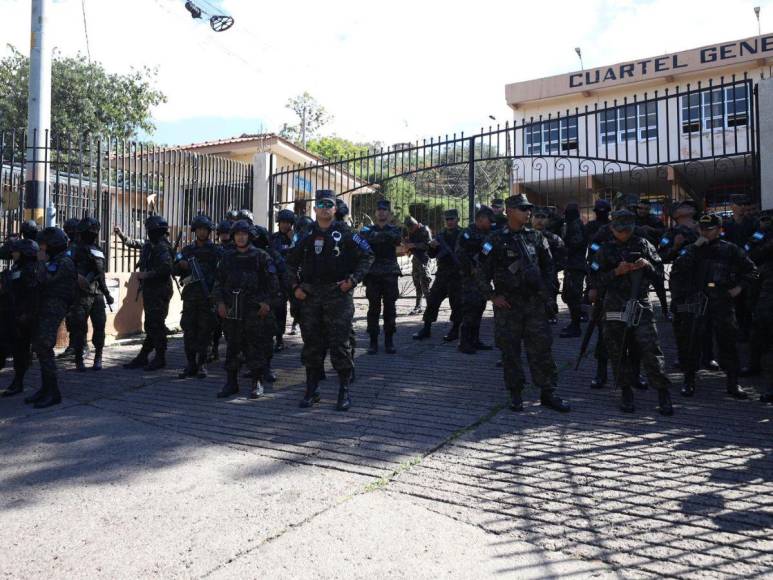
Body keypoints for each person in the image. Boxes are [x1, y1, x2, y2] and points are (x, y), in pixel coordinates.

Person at [477, 194, 570, 413]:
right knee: (510, 352)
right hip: (508, 306)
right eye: (522, 209)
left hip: (534, 305)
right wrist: (492, 296)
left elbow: (549, 268)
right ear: (509, 211)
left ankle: (548, 393)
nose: (527, 213)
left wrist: (548, 294)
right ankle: (516, 394)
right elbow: (480, 273)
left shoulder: (537, 238)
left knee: (542, 350)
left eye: (528, 209)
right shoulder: (495, 240)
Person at [287, 189, 374, 410]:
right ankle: (311, 390)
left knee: (340, 345)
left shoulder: (346, 233)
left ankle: (344, 391)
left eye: (329, 205)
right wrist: (295, 286)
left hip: (338, 295)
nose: (324, 209)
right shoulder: (305, 234)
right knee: (312, 346)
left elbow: (367, 255)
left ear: (335, 209)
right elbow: (289, 263)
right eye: (320, 205)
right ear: (314, 209)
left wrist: (353, 280)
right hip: (311, 296)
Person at [587, 209, 673, 416]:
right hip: (614, 304)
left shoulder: (644, 245)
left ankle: (662, 391)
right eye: (619, 230)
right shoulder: (604, 249)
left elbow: (660, 275)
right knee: (617, 349)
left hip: (640, 303)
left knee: (650, 347)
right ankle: (625, 390)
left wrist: (647, 265)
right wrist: (616, 272)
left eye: (627, 230)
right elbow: (594, 281)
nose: (623, 234)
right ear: (612, 228)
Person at [671, 213, 757, 399]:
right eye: (702, 229)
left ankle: (733, 383)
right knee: (692, 341)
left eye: (709, 229)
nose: (705, 232)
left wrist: (739, 287)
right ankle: (689, 380)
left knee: (727, 341)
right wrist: (694, 247)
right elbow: (678, 268)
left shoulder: (731, 249)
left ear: (719, 230)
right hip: (696, 300)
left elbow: (752, 271)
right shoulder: (692, 249)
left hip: (721, 301)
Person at [213, 220, 277, 399]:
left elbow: (273, 284)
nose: (240, 237)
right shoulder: (227, 257)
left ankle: (257, 382)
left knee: (254, 346)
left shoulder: (261, 256)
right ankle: (231, 382)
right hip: (232, 308)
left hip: (253, 309)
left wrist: (267, 303)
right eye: (237, 234)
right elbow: (218, 282)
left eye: (244, 234)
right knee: (232, 345)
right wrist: (220, 303)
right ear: (233, 236)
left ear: (249, 236)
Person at [25, 227, 77, 409]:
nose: (42, 249)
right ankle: (45, 388)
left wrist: (40, 262)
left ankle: (53, 392)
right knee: (40, 346)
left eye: (44, 246)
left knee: (44, 346)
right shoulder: (56, 259)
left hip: (54, 307)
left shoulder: (63, 262)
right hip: (46, 306)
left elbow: (45, 279)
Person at [114, 215, 173, 371]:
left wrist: (148, 275)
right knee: (151, 324)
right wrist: (120, 235)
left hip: (160, 290)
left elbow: (166, 269)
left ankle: (159, 357)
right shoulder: (149, 245)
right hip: (149, 290)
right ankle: (143, 356)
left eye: (151, 230)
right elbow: (132, 243)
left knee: (156, 325)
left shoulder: (163, 247)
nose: (149, 233)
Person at [174, 214, 221, 380]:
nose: (202, 232)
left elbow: (222, 273)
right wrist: (181, 265)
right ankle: (190, 364)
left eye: (205, 230)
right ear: (195, 231)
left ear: (209, 231)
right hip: (191, 297)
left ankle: (202, 364)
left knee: (205, 331)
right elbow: (175, 269)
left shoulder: (216, 250)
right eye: (199, 229)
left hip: (207, 296)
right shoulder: (188, 250)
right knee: (189, 330)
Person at [69, 217, 113, 371]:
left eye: (94, 232)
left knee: (99, 326)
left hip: (97, 294)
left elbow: (101, 274)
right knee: (79, 328)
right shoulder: (73, 249)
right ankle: (79, 359)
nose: (93, 234)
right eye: (90, 232)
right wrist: (76, 277)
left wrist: (107, 294)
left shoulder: (98, 250)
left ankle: (98, 356)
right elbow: (65, 267)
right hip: (80, 295)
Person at [413, 209, 462, 341]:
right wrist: (432, 247)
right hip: (442, 273)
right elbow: (432, 255)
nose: (450, 222)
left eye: (452, 219)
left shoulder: (463, 234)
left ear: (458, 219)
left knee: (456, 303)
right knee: (433, 300)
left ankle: (455, 329)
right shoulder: (441, 235)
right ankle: (426, 328)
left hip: (457, 274)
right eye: (447, 219)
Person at [360, 200, 402, 355]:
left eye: (384, 210)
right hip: (373, 274)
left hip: (390, 274)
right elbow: (362, 241)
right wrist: (382, 237)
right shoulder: (366, 229)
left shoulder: (395, 229)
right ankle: (373, 342)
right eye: (379, 210)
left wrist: (375, 237)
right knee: (373, 309)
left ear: (389, 213)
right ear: (375, 213)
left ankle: (389, 341)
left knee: (390, 308)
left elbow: (396, 239)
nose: (381, 212)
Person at [0, 238, 40, 397]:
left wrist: (26, 315)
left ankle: (18, 382)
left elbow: (32, 296)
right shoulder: (18, 266)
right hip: (10, 313)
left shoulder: (30, 269)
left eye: (16, 251)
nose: (13, 253)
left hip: (21, 317)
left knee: (20, 351)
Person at [456, 205, 494, 354]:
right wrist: (471, 268)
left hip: (483, 277)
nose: (491, 222)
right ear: (481, 219)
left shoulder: (489, 233)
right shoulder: (467, 233)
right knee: (470, 309)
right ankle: (464, 343)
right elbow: (459, 253)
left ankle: (475, 340)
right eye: (489, 220)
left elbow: (488, 251)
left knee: (479, 308)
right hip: (470, 278)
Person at [745, 209, 773, 402]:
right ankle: (756, 366)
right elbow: (748, 252)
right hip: (764, 284)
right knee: (760, 329)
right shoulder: (759, 235)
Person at [532, 207, 566, 324]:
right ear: (531, 218)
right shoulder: (522, 236)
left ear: (548, 220)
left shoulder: (554, 238)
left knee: (550, 296)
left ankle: (550, 315)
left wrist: (552, 268)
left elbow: (563, 257)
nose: (540, 220)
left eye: (543, 217)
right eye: (537, 217)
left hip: (548, 276)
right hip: (529, 277)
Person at [270, 209, 296, 352]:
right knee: (279, 309)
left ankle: (296, 324)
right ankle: (279, 338)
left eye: (288, 223)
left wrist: (294, 239)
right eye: (283, 222)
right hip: (279, 280)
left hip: (293, 279)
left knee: (297, 308)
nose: (285, 225)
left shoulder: (295, 238)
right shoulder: (273, 239)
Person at [559, 202, 587, 338]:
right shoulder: (573, 224)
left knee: (573, 296)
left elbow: (576, 244)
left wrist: (562, 248)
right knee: (569, 296)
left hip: (576, 266)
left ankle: (576, 326)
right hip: (573, 265)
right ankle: (574, 323)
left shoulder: (575, 225)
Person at [403, 216, 432, 314]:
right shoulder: (411, 231)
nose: (410, 230)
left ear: (415, 224)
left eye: (411, 228)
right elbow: (409, 244)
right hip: (416, 259)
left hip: (424, 258)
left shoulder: (425, 230)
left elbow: (429, 245)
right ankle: (418, 306)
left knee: (425, 282)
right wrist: (407, 248)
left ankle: (430, 306)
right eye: (409, 228)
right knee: (417, 283)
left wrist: (414, 245)